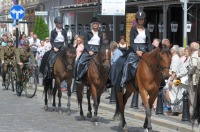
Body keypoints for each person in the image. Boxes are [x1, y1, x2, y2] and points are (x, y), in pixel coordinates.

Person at [110, 11, 152, 89]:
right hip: (134, 50)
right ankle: (124, 81)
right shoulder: (133, 29)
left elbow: (148, 42)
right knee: (127, 64)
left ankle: (159, 83)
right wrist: (136, 51)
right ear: (137, 20)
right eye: (139, 19)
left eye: (142, 19)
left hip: (145, 49)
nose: (141, 21)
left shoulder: (146, 30)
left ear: (144, 20)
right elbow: (131, 42)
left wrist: (150, 52)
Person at [75, 17, 103, 84]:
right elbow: (85, 43)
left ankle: (107, 80)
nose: (95, 25)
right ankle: (79, 78)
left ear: (98, 25)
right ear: (92, 25)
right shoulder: (87, 33)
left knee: (106, 63)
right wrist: (89, 51)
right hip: (89, 50)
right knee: (81, 62)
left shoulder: (101, 33)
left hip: (97, 50)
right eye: (94, 24)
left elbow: (101, 43)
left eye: (97, 24)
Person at [164, 45, 182, 115]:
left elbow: (174, 71)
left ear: (173, 51)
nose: (170, 50)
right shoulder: (175, 58)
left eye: (171, 49)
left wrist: (171, 80)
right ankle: (174, 109)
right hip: (176, 78)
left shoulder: (175, 58)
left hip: (174, 79)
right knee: (174, 93)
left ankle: (174, 110)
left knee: (173, 93)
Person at [188, 42, 200, 115]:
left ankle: (192, 114)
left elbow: (194, 65)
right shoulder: (197, 54)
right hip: (196, 77)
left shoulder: (194, 54)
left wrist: (190, 72)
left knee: (193, 97)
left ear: (192, 48)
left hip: (194, 78)